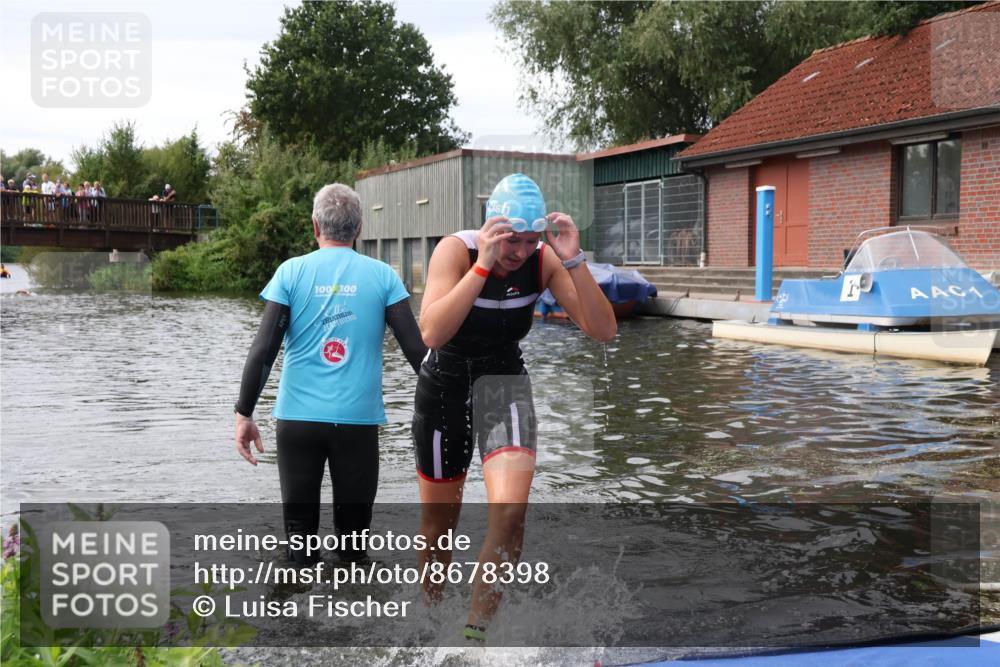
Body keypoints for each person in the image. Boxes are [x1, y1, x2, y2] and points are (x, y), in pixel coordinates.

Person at [413, 173, 616, 642]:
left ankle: (475, 635)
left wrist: (574, 260)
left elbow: (603, 331)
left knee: (510, 511)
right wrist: (481, 267)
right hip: (445, 387)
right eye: (510, 239)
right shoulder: (455, 251)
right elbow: (431, 334)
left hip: (503, 385)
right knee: (438, 527)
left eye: (529, 240)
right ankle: (427, 619)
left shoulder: (544, 261)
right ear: (491, 228)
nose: (520, 251)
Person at [234, 183, 427, 565]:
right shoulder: (383, 277)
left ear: (314, 226)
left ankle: (294, 618)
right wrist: (451, 404)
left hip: (298, 423)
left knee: (299, 545)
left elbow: (263, 352)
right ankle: (354, 617)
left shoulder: (291, 273)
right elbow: (418, 354)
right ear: (358, 230)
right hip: (357, 424)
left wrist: (244, 413)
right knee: (354, 549)